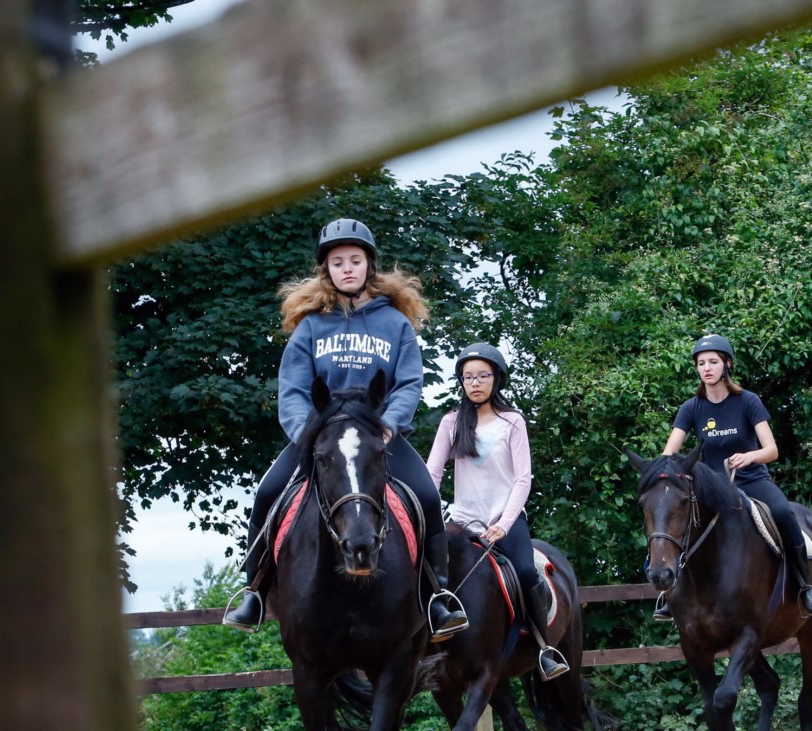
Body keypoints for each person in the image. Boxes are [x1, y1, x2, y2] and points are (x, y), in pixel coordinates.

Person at [221, 218, 468, 639]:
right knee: (267, 491)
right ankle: (255, 591)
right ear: (327, 270)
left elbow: (409, 383)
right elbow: (293, 388)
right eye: (338, 262)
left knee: (426, 495)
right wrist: (306, 433)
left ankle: (437, 596)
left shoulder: (396, 325)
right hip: (323, 438)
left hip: (377, 437)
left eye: (355, 260)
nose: (347, 268)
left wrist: (390, 425)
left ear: (369, 266)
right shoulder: (311, 326)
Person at [656, 333, 812, 622]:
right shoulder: (690, 408)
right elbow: (668, 455)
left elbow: (772, 450)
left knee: (784, 513)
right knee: (670, 519)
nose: (706, 368)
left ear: (727, 365)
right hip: (712, 488)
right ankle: (667, 593)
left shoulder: (748, 401)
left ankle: (805, 587)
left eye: (713, 362)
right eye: (701, 363)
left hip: (752, 480)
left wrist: (749, 456)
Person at [427, 343, 568, 680]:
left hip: (503, 521)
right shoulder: (451, 422)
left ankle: (543, 648)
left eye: (482, 376)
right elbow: (432, 472)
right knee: (426, 571)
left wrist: (504, 524)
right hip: (461, 521)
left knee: (525, 571)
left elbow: (522, 478)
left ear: (496, 379)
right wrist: (427, 511)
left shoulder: (512, 422)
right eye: (468, 377)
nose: (475, 383)